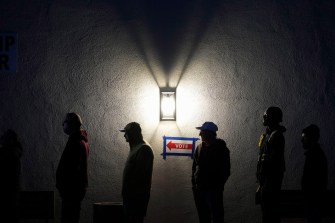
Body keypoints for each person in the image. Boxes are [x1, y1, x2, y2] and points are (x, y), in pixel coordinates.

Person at [192, 121, 231, 223]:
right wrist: (194, 185)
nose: (199, 134)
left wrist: (217, 186)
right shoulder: (199, 147)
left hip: (213, 191)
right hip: (200, 189)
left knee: (217, 217)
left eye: (202, 132)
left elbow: (226, 170)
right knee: (203, 217)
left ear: (210, 133)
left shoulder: (221, 149)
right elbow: (194, 167)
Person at [56, 113, 89, 223]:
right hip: (75, 190)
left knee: (69, 219)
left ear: (71, 124)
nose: (62, 124)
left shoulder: (76, 142)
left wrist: (64, 187)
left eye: (65, 122)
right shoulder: (82, 140)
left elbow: (72, 168)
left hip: (71, 191)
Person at [256, 106, 286, 223]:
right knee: (266, 212)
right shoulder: (267, 135)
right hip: (265, 180)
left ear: (273, 118)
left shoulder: (277, 135)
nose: (263, 118)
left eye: (266, 115)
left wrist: (265, 181)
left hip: (271, 180)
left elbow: (274, 163)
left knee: (271, 213)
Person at [120, 122, 154, 223]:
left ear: (132, 133)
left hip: (136, 199)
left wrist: (130, 194)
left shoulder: (143, 149)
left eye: (126, 132)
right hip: (131, 198)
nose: (124, 135)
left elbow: (140, 177)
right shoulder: (136, 148)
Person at [301, 124, 328, 223]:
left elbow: (314, 182)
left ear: (310, 138)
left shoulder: (314, 156)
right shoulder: (316, 154)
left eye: (303, 137)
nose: (301, 140)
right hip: (313, 202)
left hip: (312, 202)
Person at [0, 129, 22, 223]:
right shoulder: (12, 154)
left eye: (4, 136)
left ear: (10, 140)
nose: (1, 138)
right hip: (10, 198)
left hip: (7, 199)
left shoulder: (9, 155)